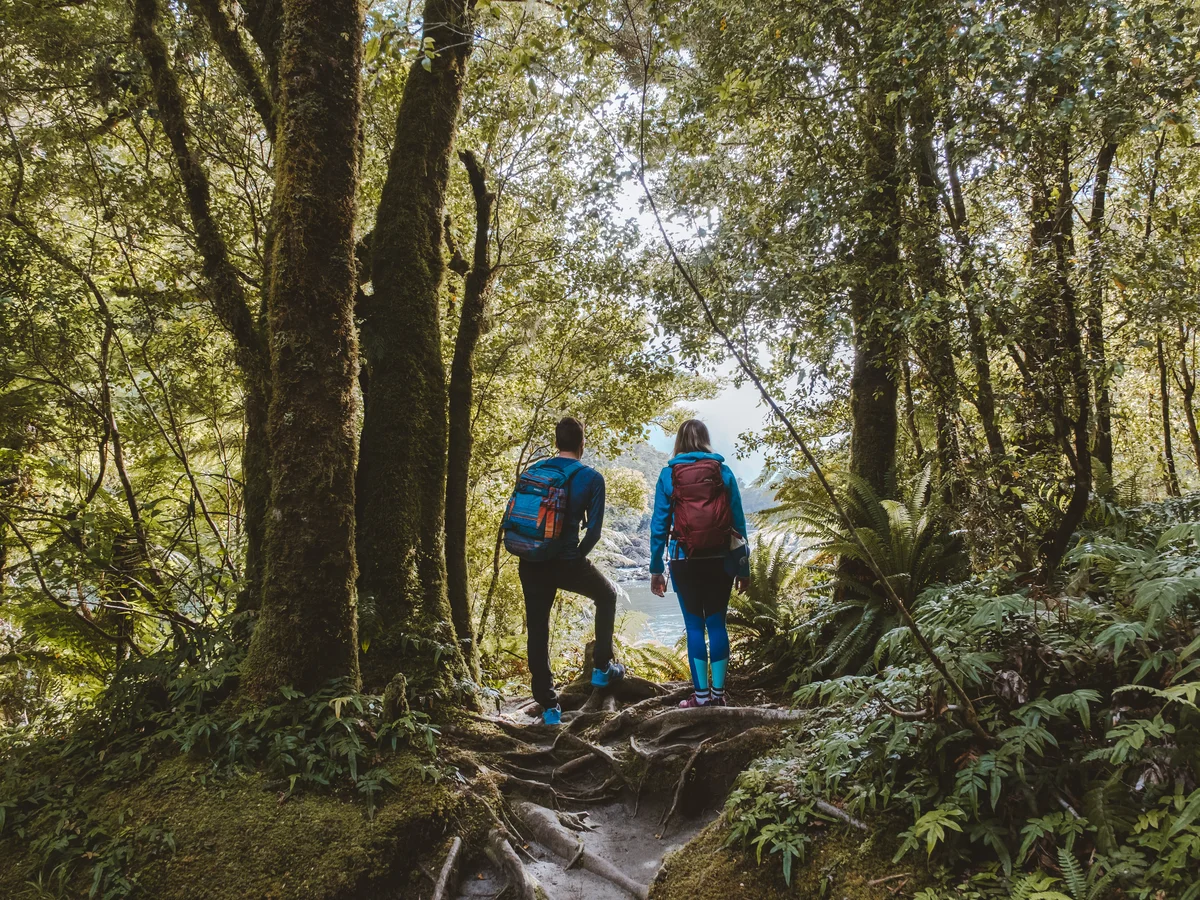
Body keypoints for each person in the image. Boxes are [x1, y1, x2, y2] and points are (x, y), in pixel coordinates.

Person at [511, 417, 625, 725]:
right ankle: (602, 669)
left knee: (537, 629)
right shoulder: (591, 478)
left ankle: (549, 708)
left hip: (531, 560)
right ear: (581, 443)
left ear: (557, 442)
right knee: (607, 595)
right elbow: (594, 533)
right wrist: (574, 559)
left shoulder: (534, 470)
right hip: (567, 561)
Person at [649, 419, 750, 708]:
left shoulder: (669, 475)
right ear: (706, 439)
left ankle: (701, 697)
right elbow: (738, 523)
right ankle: (719, 696)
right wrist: (743, 568)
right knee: (716, 624)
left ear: (678, 442)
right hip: (721, 558)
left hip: (683, 559)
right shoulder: (723, 471)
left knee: (694, 627)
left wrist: (657, 568)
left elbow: (659, 525)